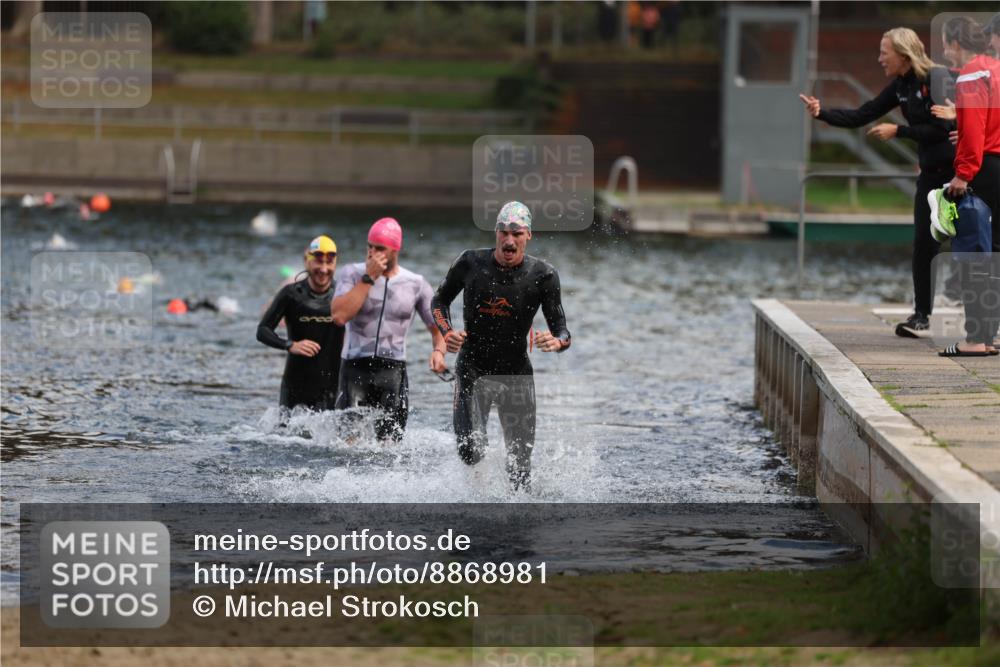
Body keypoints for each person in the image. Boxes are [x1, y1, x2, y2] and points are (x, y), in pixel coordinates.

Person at [799, 28, 955, 338]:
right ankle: (921, 316)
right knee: (924, 244)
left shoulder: (938, 78)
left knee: (977, 245)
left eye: (885, 52)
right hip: (930, 176)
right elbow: (863, 114)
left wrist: (900, 132)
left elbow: (943, 128)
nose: (879, 58)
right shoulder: (900, 86)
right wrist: (821, 113)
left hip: (961, 174)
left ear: (904, 55)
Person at [431, 201, 571, 491]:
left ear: (528, 235)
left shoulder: (543, 275)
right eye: (504, 232)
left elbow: (562, 330)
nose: (509, 240)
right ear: (496, 232)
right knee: (470, 451)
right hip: (473, 370)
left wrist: (556, 342)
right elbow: (439, 300)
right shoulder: (470, 263)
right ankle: (477, 496)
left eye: (517, 233)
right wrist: (447, 332)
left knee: (520, 470)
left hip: (516, 374)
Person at [331, 217, 446, 442]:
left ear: (395, 249)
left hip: (392, 372)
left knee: (390, 448)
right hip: (355, 369)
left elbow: (438, 328)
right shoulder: (352, 274)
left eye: (380, 248)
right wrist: (368, 278)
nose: (373, 253)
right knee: (347, 447)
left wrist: (439, 352)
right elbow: (339, 316)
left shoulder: (416, 283)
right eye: (370, 247)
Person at [939, 17, 1000, 356]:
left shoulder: (972, 74)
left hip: (984, 170)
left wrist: (963, 172)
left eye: (946, 44)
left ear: (956, 43)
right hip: (996, 163)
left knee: (974, 255)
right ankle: (989, 336)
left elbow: (976, 130)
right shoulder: (996, 69)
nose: (946, 52)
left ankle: (976, 340)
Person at [257, 235, 345, 411]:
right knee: (287, 438)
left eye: (329, 263)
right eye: (318, 262)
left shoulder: (343, 295)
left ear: (335, 264)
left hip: (332, 388)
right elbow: (262, 330)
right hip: (294, 387)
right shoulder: (291, 294)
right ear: (307, 261)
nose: (324, 269)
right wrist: (290, 345)